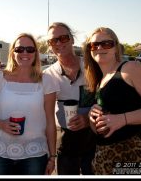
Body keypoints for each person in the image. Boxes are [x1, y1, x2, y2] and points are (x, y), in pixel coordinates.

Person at [84, 27, 141, 174]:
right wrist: (91, 117)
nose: (99, 48)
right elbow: (100, 128)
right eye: (94, 45)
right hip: (105, 157)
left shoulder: (129, 68)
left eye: (106, 43)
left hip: (133, 154)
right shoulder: (100, 80)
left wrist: (122, 119)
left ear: (115, 47)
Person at [0, 33, 58, 175]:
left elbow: (50, 122)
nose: (25, 53)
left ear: (35, 53)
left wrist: (53, 156)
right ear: (12, 52)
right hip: (0, 153)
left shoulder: (47, 81)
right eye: (20, 49)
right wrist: (0, 124)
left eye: (30, 49)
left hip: (34, 154)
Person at [44, 22, 96, 175]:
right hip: (66, 140)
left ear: (72, 40)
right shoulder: (48, 75)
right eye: (54, 40)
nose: (59, 43)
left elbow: (107, 101)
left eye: (63, 38)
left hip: (93, 137)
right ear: (50, 45)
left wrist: (87, 119)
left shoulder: (92, 67)